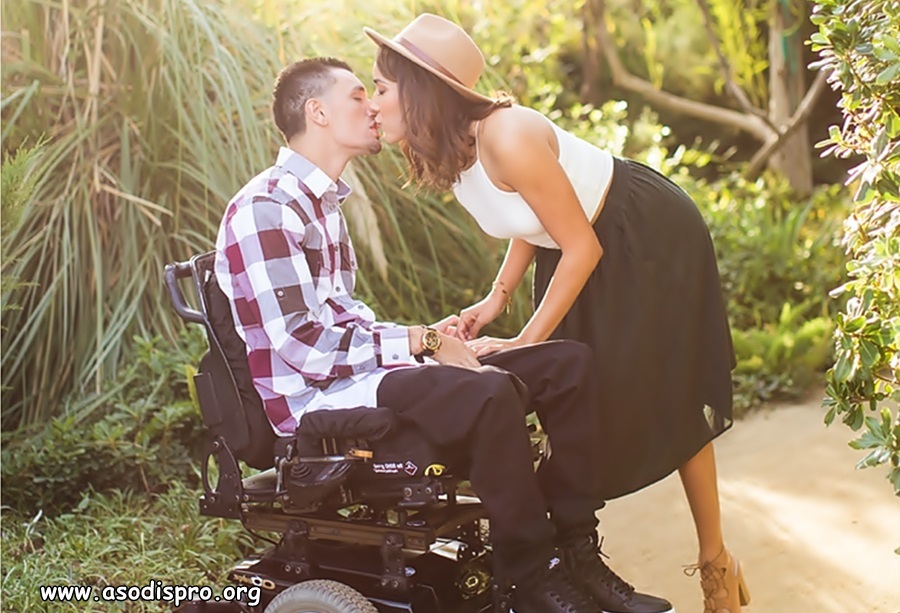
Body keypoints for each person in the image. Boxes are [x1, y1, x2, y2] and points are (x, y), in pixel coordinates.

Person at [213, 57, 674, 613]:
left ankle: (576, 550)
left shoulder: (321, 204)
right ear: (318, 113)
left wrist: (432, 337)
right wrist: (421, 345)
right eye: (360, 95)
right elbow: (301, 346)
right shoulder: (267, 207)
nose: (374, 106)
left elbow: (342, 318)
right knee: (487, 392)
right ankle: (530, 576)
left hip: (358, 377)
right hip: (316, 403)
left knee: (566, 365)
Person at [364, 14, 751, 613]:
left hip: (636, 234)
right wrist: (497, 296)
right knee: (584, 390)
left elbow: (582, 243)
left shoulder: (508, 135)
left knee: (662, 391)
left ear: (420, 91)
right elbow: (534, 218)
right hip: (573, 245)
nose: (374, 103)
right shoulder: (453, 149)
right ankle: (573, 561)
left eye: (382, 89)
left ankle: (714, 562)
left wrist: (521, 340)